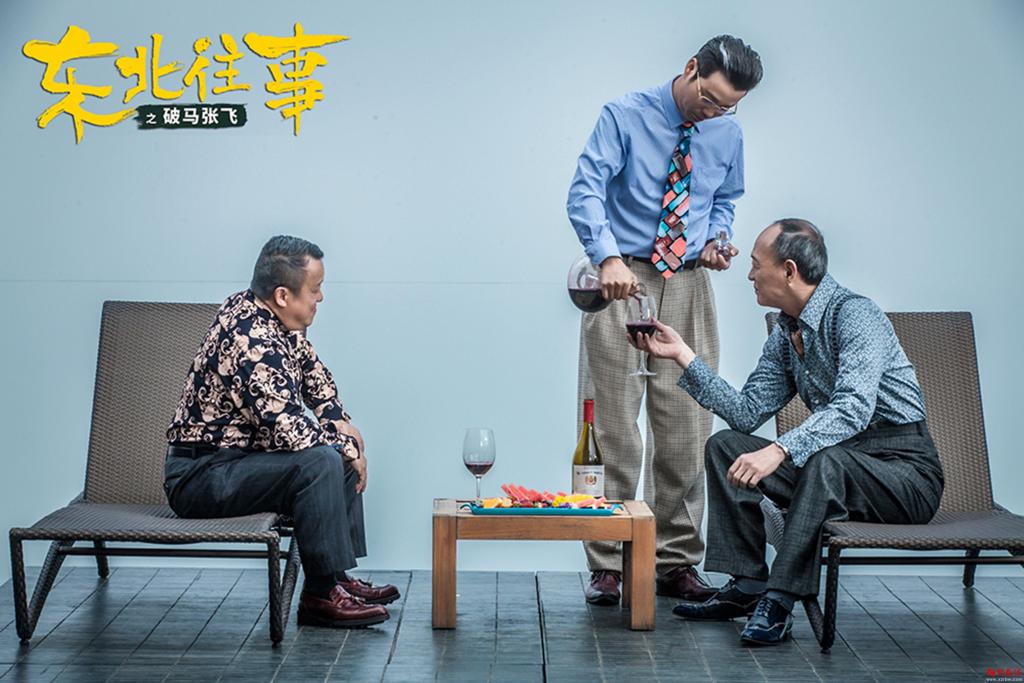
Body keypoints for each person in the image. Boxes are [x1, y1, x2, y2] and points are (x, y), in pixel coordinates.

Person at [633, 219, 944, 645]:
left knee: (826, 459)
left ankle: (779, 601)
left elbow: (853, 408)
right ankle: (747, 584)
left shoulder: (856, 315)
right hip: (833, 470)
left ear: (789, 271)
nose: (749, 274)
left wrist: (779, 450)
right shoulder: (787, 333)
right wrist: (682, 355)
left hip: (903, 474)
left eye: (756, 264)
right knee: (726, 446)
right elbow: (745, 413)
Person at [566, 35, 763, 605]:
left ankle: (675, 559)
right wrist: (606, 257)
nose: (714, 112)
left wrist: (718, 239)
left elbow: (725, 198)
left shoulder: (727, 131)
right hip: (621, 277)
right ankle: (608, 560)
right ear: (691, 68)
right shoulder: (624, 115)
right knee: (609, 428)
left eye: (728, 107)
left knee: (686, 428)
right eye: (709, 99)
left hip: (689, 281)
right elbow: (585, 192)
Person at [164, 235, 399, 629]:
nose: (321, 297)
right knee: (322, 460)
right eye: (315, 288)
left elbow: (315, 376)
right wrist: (349, 449)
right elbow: (289, 430)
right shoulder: (249, 339)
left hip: (238, 463)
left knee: (335, 455)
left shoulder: (273, 319)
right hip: (201, 476)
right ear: (283, 295)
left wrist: (339, 421)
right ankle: (320, 597)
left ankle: (335, 579)